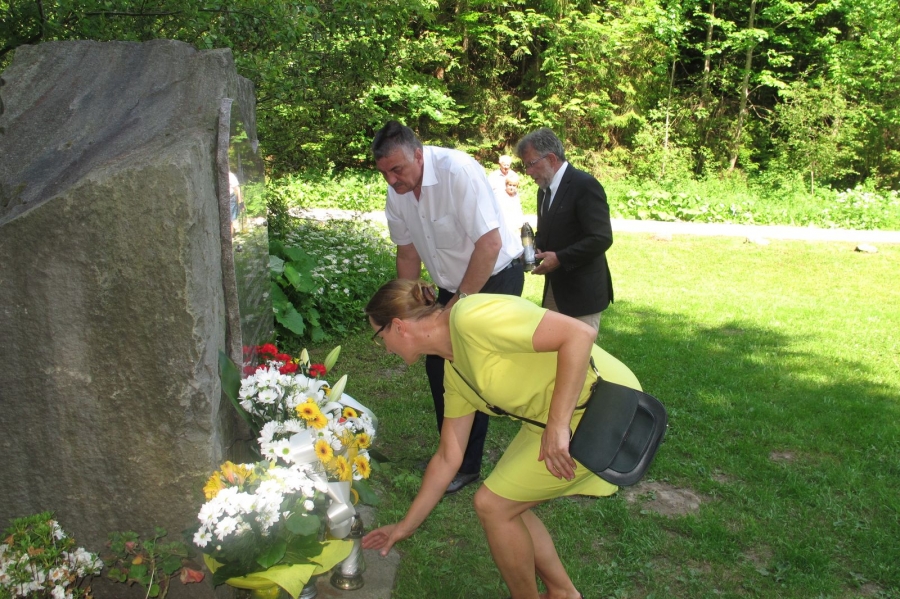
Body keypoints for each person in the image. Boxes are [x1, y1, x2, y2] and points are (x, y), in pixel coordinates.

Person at [362, 279, 641, 599]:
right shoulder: (456, 373)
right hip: (553, 419)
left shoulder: (471, 317)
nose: (384, 348)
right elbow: (448, 456)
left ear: (398, 326)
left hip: (603, 404)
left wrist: (557, 426)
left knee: (493, 506)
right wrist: (404, 527)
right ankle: (563, 593)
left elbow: (579, 334)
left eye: (379, 337)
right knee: (507, 501)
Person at [371, 121, 525, 495]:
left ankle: (465, 465)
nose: (392, 180)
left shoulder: (458, 171)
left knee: (471, 368)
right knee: (437, 364)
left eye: (397, 170)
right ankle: (451, 455)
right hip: (451, 285)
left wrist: (453, 309)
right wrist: (406, 306)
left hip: (494, 276)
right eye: (384, 173)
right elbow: (407, 253)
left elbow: (489, 245)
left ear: (418, 155)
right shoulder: (398, 192)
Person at [515, 128, 613, 332]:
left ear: (551, 158)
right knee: (550, 347)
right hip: (555, 289)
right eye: (525, 166)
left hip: (583, 293)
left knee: (580, 351)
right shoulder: (544, 190)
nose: (528, 172)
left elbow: (601, 237)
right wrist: (533, 250)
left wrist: (560, 258)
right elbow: (547, 233)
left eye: (531, 164)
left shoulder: (584, 185)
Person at [494, 171, 525, 241]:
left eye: (514, 186)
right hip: (505, 223)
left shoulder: (516, 195)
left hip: (515, 225)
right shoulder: (501, 195)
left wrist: (520, 223)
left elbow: (518, 210)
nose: (512, 187)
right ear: (506, 185)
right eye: (510, 185)